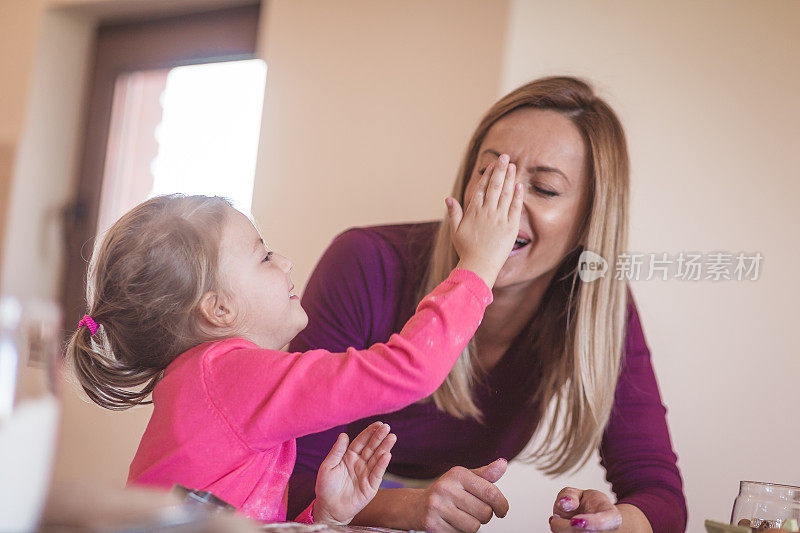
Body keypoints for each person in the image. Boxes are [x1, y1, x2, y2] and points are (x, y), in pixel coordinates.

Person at [288, 77, 687, 532]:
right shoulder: (365, 262)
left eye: (545, 189)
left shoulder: (599, 305)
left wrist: (618, 524)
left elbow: (660, 494)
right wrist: (405, 508)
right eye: (490, 172)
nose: (504, 202)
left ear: (588, 220)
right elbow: (279, 475)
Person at [64, 164, 522, 525]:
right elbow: (407, 371)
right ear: (218, 309)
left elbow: (239, 517)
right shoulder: (228, 375)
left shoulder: (205, 383)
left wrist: (324, 514)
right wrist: (478, 266)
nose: (284, 262)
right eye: (263, 256)